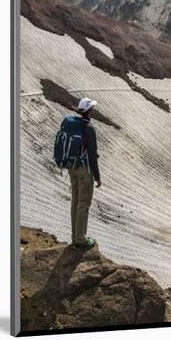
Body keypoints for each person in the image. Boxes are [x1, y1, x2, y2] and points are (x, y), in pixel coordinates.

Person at [68, 97, 101, 250]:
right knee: (83, 204)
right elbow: (92, 155)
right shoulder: (89, 128)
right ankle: (80, 239)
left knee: (75, 201)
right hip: (84, 170)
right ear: (89, 111)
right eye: (92, 108)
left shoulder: (73, 124)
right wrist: (97, 177)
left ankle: (75, 236)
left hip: (72, 167)